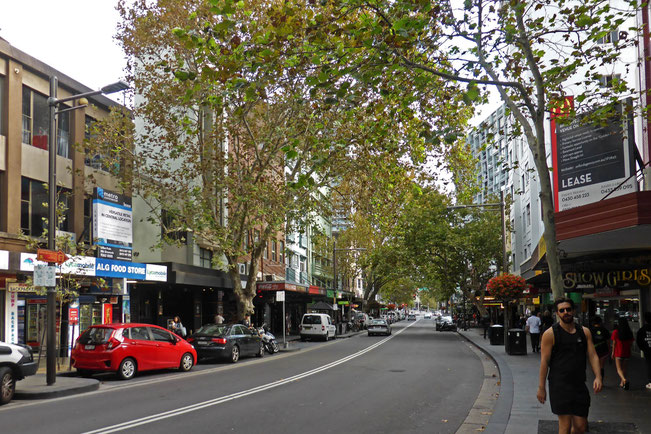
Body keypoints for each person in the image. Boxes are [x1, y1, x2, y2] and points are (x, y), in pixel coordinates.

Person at [537, 298, 602, 434]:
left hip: (579, 385)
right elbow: (544, 362)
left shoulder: (584, 332)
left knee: (580, 427)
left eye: (568, 309)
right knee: (565, 427)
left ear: (573, 311)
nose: (566, 312)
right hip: (559, 386)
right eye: (562, 310)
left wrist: (598, 376)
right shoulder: (550, 334)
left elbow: (593, 355)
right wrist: (541, 388)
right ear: (557, 313)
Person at [611, 316, 635, 390]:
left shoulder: (616, 332)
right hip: (626, 352)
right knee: (624, 369)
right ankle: (622, 383)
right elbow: (631, 343)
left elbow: (614, 343)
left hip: (618, 352)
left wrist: (612, 353)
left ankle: (624, 380)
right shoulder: (629, 332)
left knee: (619, 369)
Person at [589, 316, 610, 381]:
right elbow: (608, 341)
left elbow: (589, 342)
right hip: (603, 350)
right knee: (601, 366)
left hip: (594, 351)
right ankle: (600, 379)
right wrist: (609, 350)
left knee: (595, 365)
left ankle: (597, 378)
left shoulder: (590, 331)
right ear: (600, 322)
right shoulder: (605, 330)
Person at [636, 312, 651, 390]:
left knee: (649, 365)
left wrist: (643, 348)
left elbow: (639, 341)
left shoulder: (642, 330)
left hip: (647, 351)